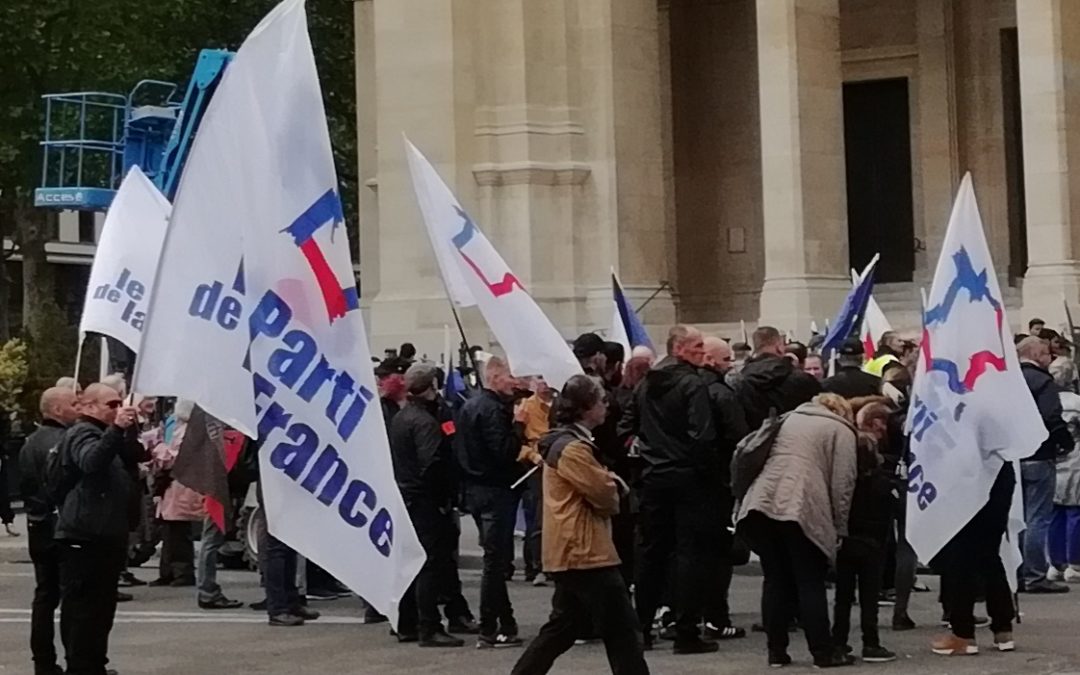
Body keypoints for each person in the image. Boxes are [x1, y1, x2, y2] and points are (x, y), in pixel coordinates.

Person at [510, 375, 649, 675]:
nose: (606, 405)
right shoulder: (573, 448)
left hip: (573, 548)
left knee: (563, 627)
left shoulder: (569, 444)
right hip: (584, 550)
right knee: (622, 629)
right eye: (600, 401)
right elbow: (603, 494)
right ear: (586, 408)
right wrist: (614, 486)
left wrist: (607, 482)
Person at [735, 393, 858, 668]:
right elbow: (843, 483)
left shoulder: (786, 419)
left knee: (776, 578)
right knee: (809, 580)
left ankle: (776, 651)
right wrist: (839, 526)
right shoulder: (840, 430)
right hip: (801, 505)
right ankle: (822, 653)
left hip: (761, 503)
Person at [631, 325, 718, 654]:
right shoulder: (692, 384)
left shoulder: (645, 383)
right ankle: (685, 632)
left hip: (654, 476)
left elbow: (632, 425)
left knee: (652, 553)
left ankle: (641, 629)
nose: (701, 351)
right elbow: (703, 435)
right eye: (697, 345)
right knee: (688, 554)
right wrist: (705, 471)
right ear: (679, 349)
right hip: (686, 476)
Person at [54, 383, 141, 675]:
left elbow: (133, 458)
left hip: (105, 536)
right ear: (89, 406)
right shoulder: (82, 433)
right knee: (83, 611)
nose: (117, 410)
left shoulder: (107, 435)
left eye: (120, 405)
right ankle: (81, 667)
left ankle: (94, 664)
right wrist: (116, 429)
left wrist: (127, 429)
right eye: (111, 404)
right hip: (85, 536)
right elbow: (91, 462)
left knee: (101, 610)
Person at [390, 364, 467, 647]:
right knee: (430, 564)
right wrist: (444, 500)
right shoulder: (423, 422)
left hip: (408, 496)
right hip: (426, 501)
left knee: (413, 562)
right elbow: (432, 465)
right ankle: (429, 626)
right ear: (431, 386)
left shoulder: (402, 417)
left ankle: (406, 622)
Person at [455, 356, 524, 648]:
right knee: (495, 562)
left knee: (495, 558)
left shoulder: (471, 406)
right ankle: (489, 626)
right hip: (494, 490)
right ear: (495, 377)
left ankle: (505, 622)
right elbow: (504, 451)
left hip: (476, 489)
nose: (516, 382)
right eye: (511, 376)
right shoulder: (492, 410)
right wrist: (519, 426)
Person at [831, 402, 897, 663]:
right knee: (869, 596)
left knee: (843, 596)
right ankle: (871, 642)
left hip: (848, 540)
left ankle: (839, 640)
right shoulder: (883, 484)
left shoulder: (846, 483)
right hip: (873, 544)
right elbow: (892, 508)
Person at [19, 387, 79, 675]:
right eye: (73, 403)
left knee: (44, 595)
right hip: (61, 525)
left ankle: (42, 662)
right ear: (56, 410)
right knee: (70, 598)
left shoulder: (29, 443)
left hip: (37, 524)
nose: (78, 408)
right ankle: (75, 661)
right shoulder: (65, 441)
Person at [930, 462, 1018, 655]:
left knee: (962, 559)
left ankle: (963, 633)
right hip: (999, 472)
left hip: (967, 476)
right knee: (990, 555)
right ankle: (1003, 628)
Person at [699, 336, 749, 640]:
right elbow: (739, 439)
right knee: (718, 553)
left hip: (687, 479)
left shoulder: (683, 388)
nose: (732, 364)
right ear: (711, 360)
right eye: (727, 359)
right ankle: (716, 617)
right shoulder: (720, 393)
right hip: (716, 481)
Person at [1018, 336, 1073, 593]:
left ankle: (1017, 572)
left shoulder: (1009, 379)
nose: (1049, 358)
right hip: (1039, 454)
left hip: (1013, 455)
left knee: (1017, 518)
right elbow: (1051, 415)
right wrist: (1064, 441)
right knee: (1038, 518)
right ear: (1037, 354)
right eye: (1046, 353)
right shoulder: (1042, 381)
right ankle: (1035, 574)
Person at [148, 400, 204, 588]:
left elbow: (173, 455)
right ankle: (169, 571)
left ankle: (181, 571)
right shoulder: (185, 427)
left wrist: (157, 448)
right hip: (175, 484)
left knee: (177, 528)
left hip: (179, 483)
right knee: (170, 528)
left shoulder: (186, 430)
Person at [737, 326, 822, 431]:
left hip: (755, 442)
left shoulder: (738, 381)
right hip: (797, 437)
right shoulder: (802, 379)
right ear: (779, 347)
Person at [515, 377, 554, 586]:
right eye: (540, 378)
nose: (545, 382)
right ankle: (535, 566)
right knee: (537, 518)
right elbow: (517, 442)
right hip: (534, 467)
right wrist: (533, 456)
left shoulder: (560, 405)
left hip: (555, 463)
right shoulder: (525, 407)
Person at [1048, 357, 1080, 583]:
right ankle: (1074, 564)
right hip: (1076, 461)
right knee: (1075, 513)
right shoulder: (1077, 403)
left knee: (1054, 514)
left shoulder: (1047, 400)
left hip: (1052, 460)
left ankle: (1054, 564)